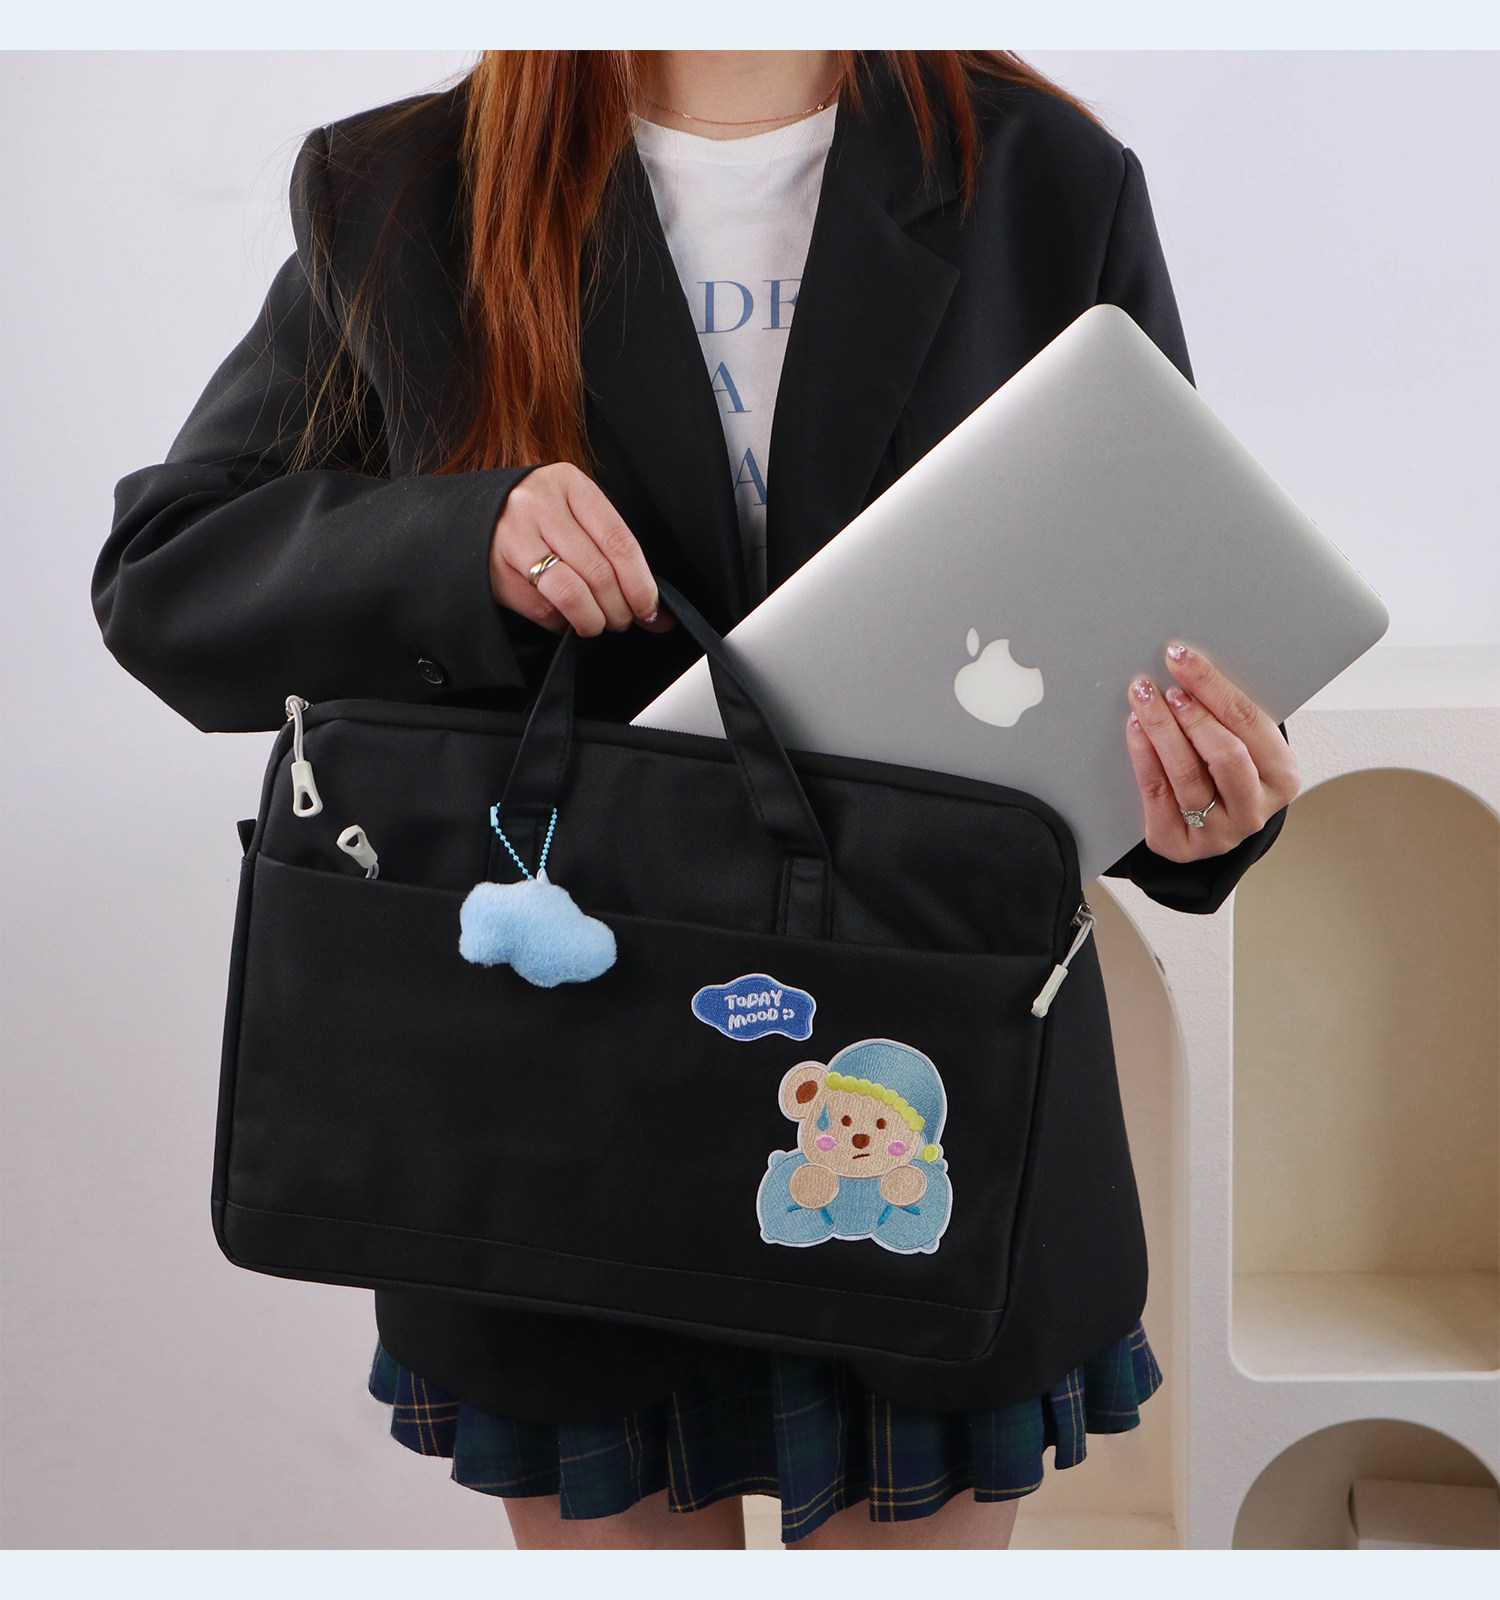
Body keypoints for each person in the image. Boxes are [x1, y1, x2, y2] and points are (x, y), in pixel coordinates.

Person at [93, 49, 1300, 1550]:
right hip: (567, 1108)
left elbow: (1158, 597)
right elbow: (167, 579)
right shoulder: (406, 186)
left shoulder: (1040, 176)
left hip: (922, 1096)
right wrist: (464, 542)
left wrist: (1212, 797)